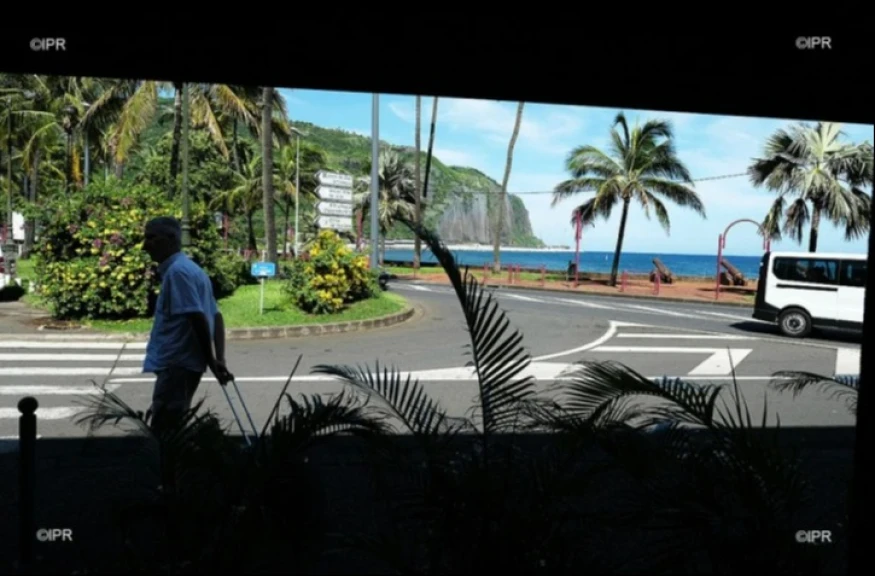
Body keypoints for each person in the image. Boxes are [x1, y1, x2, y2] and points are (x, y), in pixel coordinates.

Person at [140, 216, 233, 433]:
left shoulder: (177, 273)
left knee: (166, 431)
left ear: (171, 239)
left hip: (177, 364)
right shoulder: (192, 269)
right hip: (184, 365)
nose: (145, 245)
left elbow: (197, 317)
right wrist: (219, 358)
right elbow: (216, 316)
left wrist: (213, 361)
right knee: (174, 426)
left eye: (151, 238)